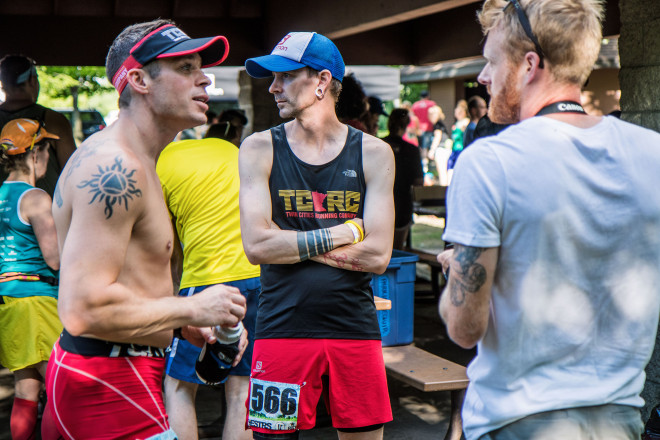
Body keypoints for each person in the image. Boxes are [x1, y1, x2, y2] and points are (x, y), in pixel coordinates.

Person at [437, 0, 660, 439]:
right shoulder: (650, 152)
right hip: (620, 421)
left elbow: (465, 329)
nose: (483, 78)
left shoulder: (488, 161)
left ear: (529, 65)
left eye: (491, 62)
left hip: (517, 422)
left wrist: (458, 270)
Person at [41, 19, 249, 440]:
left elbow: (119, 282)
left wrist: (179, 324)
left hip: (111, 371)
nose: (205, 79)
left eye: (200, 68)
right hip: (111, 382)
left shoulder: (138, 160)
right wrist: (192, 308)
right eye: (187, 68)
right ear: (138, 80)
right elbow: (83, 309)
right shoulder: (115, 168)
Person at [241, 31, 395, 439]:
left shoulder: (374, 153)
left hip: (354, 329)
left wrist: (287, 242)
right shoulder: (258, 148)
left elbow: (378, 255)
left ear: (322, 82)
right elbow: (257, 246)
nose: (272, 87)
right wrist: (346, 232)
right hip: (279, 329)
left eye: (285, 76)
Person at [157, 125, 260, 440]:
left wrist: (173, 301)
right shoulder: (227, 149)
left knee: (180, 385)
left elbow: (167, 249)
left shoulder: (156, 165)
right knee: (242, 386)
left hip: (206, 282)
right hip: (257, 277)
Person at [0, 119, 60, 440]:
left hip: (8, 302)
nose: (49, 155)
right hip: (36, 302)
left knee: (25, 388)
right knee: (59, 390)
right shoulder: (35, 198)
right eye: (47, 148)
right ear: (35, 153)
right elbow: (55, 258)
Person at [0, 55, 76, 196]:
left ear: (3, 84)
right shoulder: (54, 121)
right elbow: (72, 172)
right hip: (46, 212)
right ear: (32, 80)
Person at [382, 108, 424, 250]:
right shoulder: (412, 150)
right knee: (397, 252)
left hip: (378, 203)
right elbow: (419, 182)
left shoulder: (378, 145)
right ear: (406, 125)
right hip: (402, 205)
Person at [426, 105, 452, 185]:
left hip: (441, 150)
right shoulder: (440, 123)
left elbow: (437, 137)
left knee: (442, 172)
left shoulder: (438, 124)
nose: (429, 116)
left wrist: (432, 150)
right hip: (445, 149)